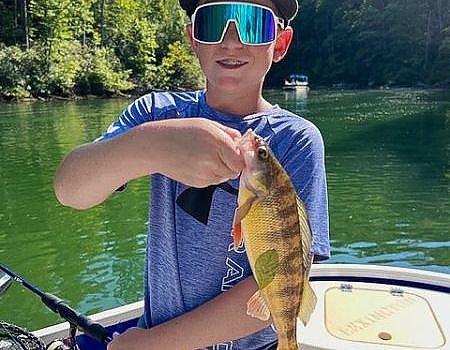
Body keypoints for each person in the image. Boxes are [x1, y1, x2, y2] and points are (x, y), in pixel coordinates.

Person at [53, 0, 330, 349]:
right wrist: (150, 145)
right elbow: (69, 190)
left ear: (280, 44)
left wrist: (152, 344)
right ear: (193, 39)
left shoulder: (297, 141)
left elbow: (280, 283)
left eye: (254, 23)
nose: (232, 39)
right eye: (213, 21)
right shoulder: (156, 114)